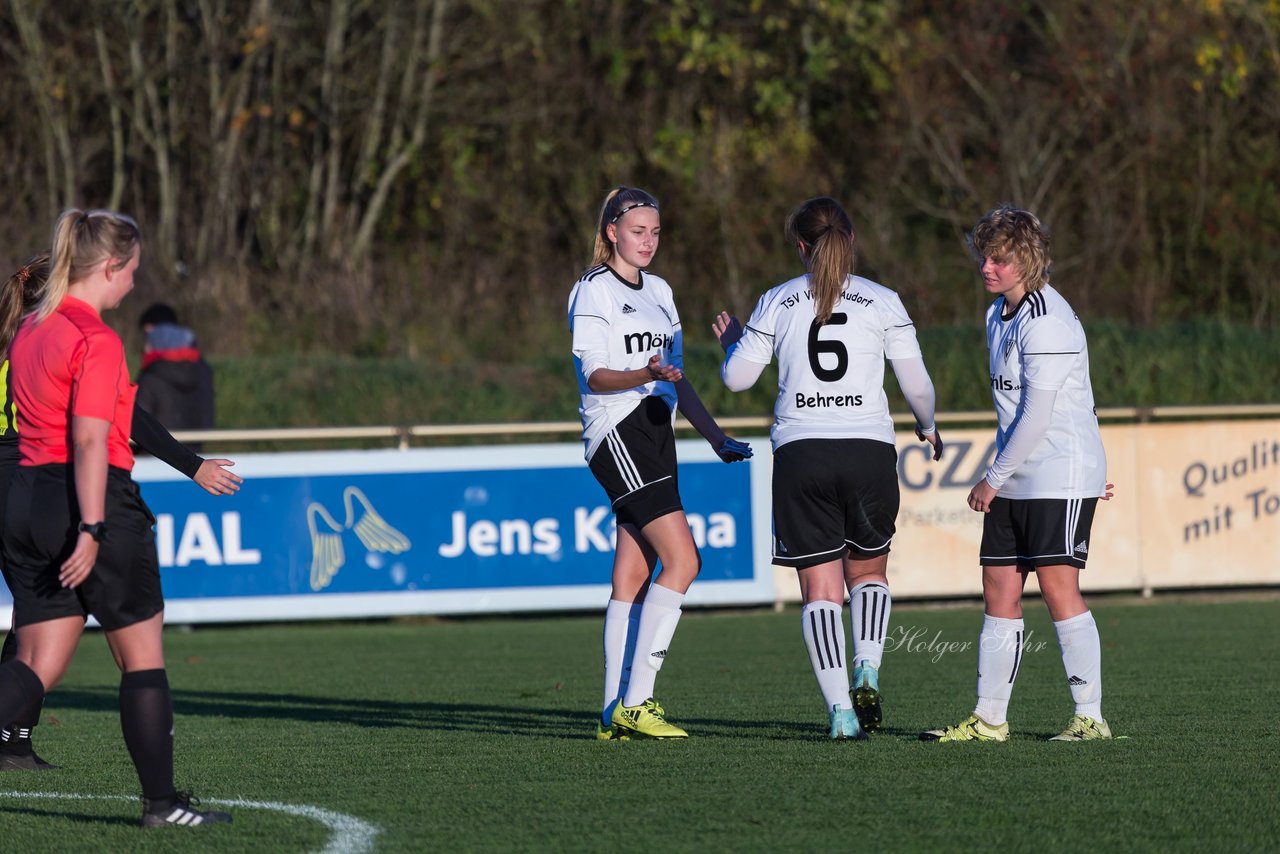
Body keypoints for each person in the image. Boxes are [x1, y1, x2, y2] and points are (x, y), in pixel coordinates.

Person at [0, 209, 234, 827]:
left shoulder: (28, 328)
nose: (135, 282)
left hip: (24, 501)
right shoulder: (93, 338)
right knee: (142, 657)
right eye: (132, 270)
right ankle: (162, 805)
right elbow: (88, 442)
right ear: (108, 267)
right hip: (87, 501)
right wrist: (94, 527)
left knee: (35, 661)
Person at [714, 196, 943, 739]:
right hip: (868, 451)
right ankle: (868, 665)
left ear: (800, 246)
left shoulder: (778, 299)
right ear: (852, 239)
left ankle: (841, 713)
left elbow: (737, 380)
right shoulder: (883, 301)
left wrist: (732, 343)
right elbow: (917, 386)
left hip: (802, 454)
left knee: (820, 589)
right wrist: (927, 425)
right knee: (868, 573)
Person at [921, 204, 1114, 743]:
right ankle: (989, 719)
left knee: (1057, 587)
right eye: (984, 256)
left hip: (1055, 470)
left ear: (1027, 261)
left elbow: (1039, 416)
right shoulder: (995, 315)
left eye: (999, 258)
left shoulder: (1048, 319)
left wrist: (993, 477)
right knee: (999, 585)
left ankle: (1090, 716)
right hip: (1020, 471)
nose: (986, 266)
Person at [569, 186, 751, 741]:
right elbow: (594, 376)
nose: (647, 241)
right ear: (611, 234)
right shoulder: (593, 291)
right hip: (619, 431)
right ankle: (638, 702)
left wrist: (716, 436)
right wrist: (644, 375)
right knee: (684, 561)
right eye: (636, 231)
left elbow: (675, 377)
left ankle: (611, 713)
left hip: (655, 434)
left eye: (654, 232)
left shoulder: (664, 292)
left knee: (633, 573)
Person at [136, 302, 215, 452]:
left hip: (153, 461)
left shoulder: (151, 376)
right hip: (196, 460)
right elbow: (207, 422)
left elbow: (138, 424)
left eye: (148, 334)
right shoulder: (203, 371)